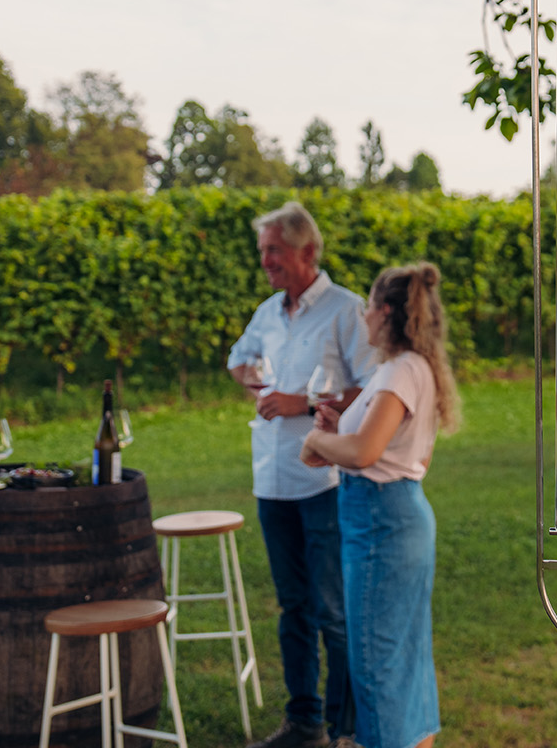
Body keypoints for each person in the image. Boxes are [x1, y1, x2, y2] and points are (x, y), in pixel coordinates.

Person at [228, 201, 379, 748]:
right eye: (263, 250)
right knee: (292, 608)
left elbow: (372, 385)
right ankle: (303, 721)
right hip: (272, 480)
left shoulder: (345, 309)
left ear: (307, 251)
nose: (265, 260)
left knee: (332, 611)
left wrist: (300, 401)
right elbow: (237, 358)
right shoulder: (270, 311)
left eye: (274, 250)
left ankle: (347, 728)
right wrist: (258, 386)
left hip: (322, 482)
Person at [301, 263, 460, 748]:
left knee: (376, 661)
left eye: (369, 305)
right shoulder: (411, 369)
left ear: (386, 312)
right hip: (396, 514)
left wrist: (318, 440)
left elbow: (365, 453)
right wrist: (332, 436)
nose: (363, 314)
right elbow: (407, 453)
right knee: (403, 654)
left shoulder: (398, 372)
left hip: (380, 524)